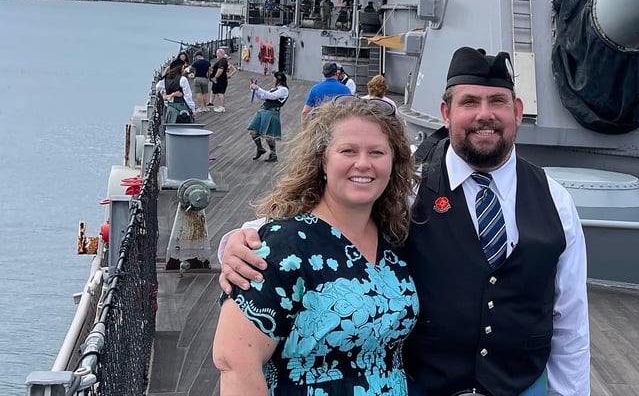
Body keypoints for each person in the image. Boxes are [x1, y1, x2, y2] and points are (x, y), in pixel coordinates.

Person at [220, 47, 591, 396]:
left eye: (497, 101)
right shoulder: (406, 186)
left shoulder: (557, 201)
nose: (485, 114)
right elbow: (316, 219)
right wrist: (238, 241)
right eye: (469, 102)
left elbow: (570, 319)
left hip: (520, 386)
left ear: (517, 111)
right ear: (446, 113)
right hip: (425, 386)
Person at [212, 98, 419, 395]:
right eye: (348, 151)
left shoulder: (393, 239)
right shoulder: (285, 247)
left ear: (393, 162)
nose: (363, 163)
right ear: (323, 160)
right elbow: (235, 360)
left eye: (377, 152)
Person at [247, 71, 290, 162]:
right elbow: (263, 96)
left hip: (272, 112)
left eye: (274, 78)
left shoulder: (283, 90)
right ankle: (260, 149)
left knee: (268, 135)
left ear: (278, 79)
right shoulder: (275, 88)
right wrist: (253, 89)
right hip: (263, 111)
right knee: (252, 130)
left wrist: (257, 87)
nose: (273, 79)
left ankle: (273, 154)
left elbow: (271, 96)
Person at [301, 61, 352, 128]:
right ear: (336, 73)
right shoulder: (345, 90)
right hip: (338, 127)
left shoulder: (315, 89)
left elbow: (305, 112)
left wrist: (304, 129)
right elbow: (351, 111)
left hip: (319, 127)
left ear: (324, 74)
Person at [210, 47, 230, 112]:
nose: (216, 55)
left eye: (217, 53)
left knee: (220, 93)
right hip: (219, 80)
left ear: (221, 53)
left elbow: (220, 69)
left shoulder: (223, 61)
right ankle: (212, 103)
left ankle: (222, 107)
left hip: (220, 80)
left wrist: (215, 77)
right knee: (216, 92)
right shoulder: (222, 60)